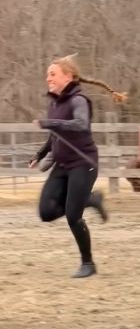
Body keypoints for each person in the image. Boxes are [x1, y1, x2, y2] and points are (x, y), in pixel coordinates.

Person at [29, 54, 127, 278]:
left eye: (52, 74)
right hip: (62, 164)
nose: (48, 78)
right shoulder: (55, 102)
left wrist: (48, 123)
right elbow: (57, 135)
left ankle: (88, 264)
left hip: (84, 163)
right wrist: (40, 153)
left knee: (74, 215)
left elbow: (81, 125)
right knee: (46, 212)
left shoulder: (78, 100)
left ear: (68, 76)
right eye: (47, 75)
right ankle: (91, 200)